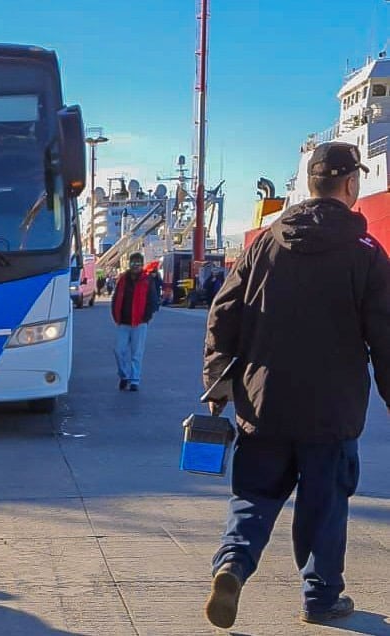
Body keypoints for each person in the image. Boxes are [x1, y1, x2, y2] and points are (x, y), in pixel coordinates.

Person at [202, 141, 390, 629]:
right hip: (331, 411)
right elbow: (386, 335)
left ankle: (232, 566)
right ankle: (321, 597)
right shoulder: (367, 252)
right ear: (351, 185)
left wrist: (219, 376)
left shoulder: (265, 242)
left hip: (262, 402)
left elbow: (224, 311)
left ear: (311, 184)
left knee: (253, 496)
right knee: (324, 506)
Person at [111, 252, 159, 391]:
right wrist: (115, 315)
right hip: (123, 322)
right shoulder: (122, 280)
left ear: (141, 265)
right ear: (129, 264)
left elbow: (153, 300)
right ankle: (124, 375)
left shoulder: (147, 280)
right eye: (133, 263)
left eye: (138, 263)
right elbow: (116, 298)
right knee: (118, 351)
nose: (135, 266)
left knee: (136, 353)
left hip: (139, 322)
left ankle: (134, 380)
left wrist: (146, 317)